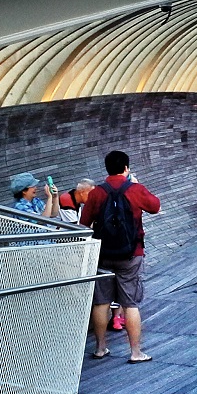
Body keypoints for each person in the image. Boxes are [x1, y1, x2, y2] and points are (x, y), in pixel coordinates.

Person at [80, 150, 160, 363]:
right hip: (131, 254)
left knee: (101, 302)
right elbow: (155, 206)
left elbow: (84, 223)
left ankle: (100, 348)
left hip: (103, 254)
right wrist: (137, 184)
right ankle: (136, 352)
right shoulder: (135, 189)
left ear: (107, 169)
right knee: (130, 303)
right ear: (126, 168)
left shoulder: (97, 192)